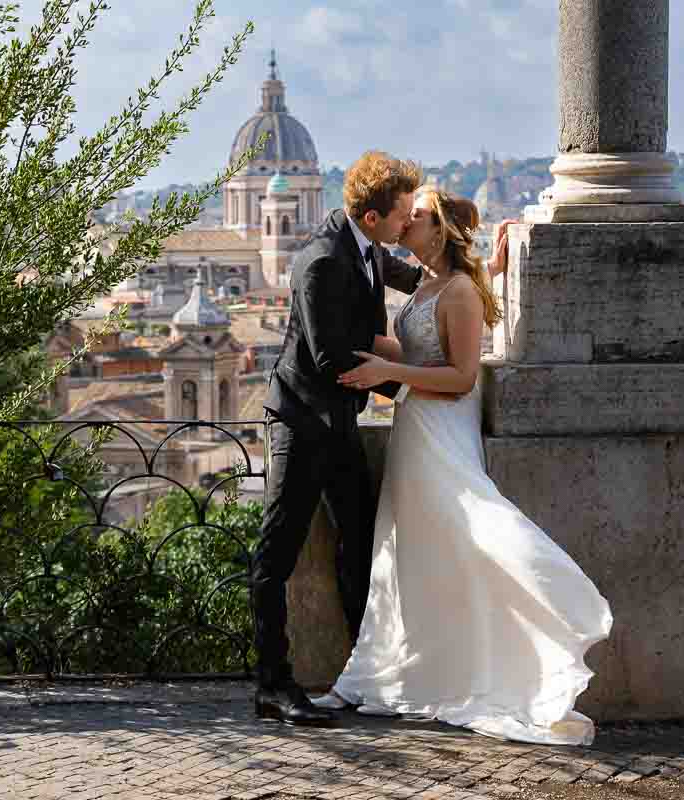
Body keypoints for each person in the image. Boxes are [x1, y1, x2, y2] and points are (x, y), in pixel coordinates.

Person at [311, 189, 613, 746]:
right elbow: (421, 354)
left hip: (440, 428)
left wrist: (384, 367)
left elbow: (462, 378)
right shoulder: (427, 283)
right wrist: (371, 354)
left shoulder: (456, 292)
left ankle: (557, 607)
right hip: (414, 427)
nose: (406, 222)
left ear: (442, 230)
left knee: (471, 529)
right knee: (402, 552)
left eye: (418, 216)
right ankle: (372, 675)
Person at [252, 153, 508, 726]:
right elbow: (328, 358)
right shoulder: (321, 261)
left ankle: (364, 672)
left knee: (363, 544)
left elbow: (431, 281)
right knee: (278, 552)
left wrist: (486, 262)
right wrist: (411, 384)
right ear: (372, 217)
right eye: (400, 217)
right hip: (302, 421)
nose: (405, 226)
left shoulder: (367, 250)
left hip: (340, 423)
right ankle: (273, 683)